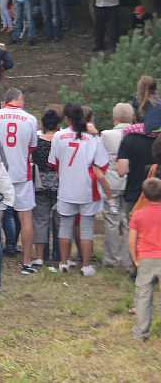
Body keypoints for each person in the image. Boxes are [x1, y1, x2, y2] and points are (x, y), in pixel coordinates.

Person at [48, 103, 110, 276]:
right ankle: (86, 265)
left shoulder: (59, 136)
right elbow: (102, 164)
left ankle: (63, 262)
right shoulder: (92, 138)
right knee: (86, 227)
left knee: (65, 226)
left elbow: (53, 162)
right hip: (87, 188)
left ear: (67, 118)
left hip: (66, 187)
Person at [0, 88, 40, 274]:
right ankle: (26, 261)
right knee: (25, 218)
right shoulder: (30, 119)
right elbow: (32, 147)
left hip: (0, 171)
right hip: (21, 173)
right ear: (19, 100)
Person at [100, 103, 134, 269]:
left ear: (115, 119)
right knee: (128, 222)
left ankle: (111, 259)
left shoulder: (106, 134)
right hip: (131, 181)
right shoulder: (137, 134)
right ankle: (128, 260)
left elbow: (100, 158)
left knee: (111, 220)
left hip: (111, 182)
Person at [130, 177, 161, 341]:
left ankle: (141, 332)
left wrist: (135, 259)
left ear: (144, 195)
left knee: (143, 296)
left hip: (146, 258)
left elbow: (131, 240)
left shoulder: (138, 215)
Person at [31, 109, 62, 269]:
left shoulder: (37, 141)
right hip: (59, 184)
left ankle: (40, 256)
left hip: (40, 183)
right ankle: (58, 254)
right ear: (58, 124)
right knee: (59, 220)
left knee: (40, 220)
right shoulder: (61, 140)